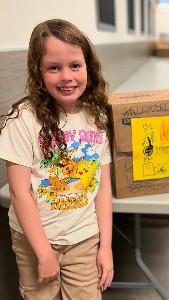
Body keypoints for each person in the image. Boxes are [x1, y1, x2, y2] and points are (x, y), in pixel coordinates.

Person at [0, 19, 113, 300]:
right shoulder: (22, 120)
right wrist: (43, 253)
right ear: (38, 72)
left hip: (84, 238)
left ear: (88, 66)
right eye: (54, 68)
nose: (66, 77)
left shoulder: (98, 118)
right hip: (35, 240)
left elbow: (103, 188)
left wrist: (106, 247)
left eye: (75, 65)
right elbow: (19, 192)